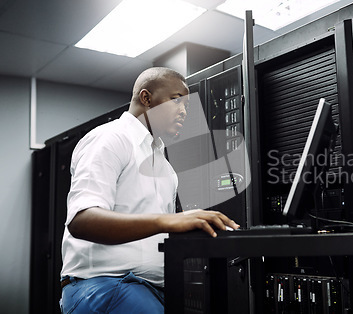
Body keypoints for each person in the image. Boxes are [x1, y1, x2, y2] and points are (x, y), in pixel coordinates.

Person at [59, 67, 239, 313]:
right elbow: (82, 221)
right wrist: (171, 221)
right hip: (105, 286)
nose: (184, 111)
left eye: (186, 104)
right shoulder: (110, 139)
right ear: (146, 98)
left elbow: (159, 231)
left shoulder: (163, 165)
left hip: (151, 288)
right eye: (176, 100)